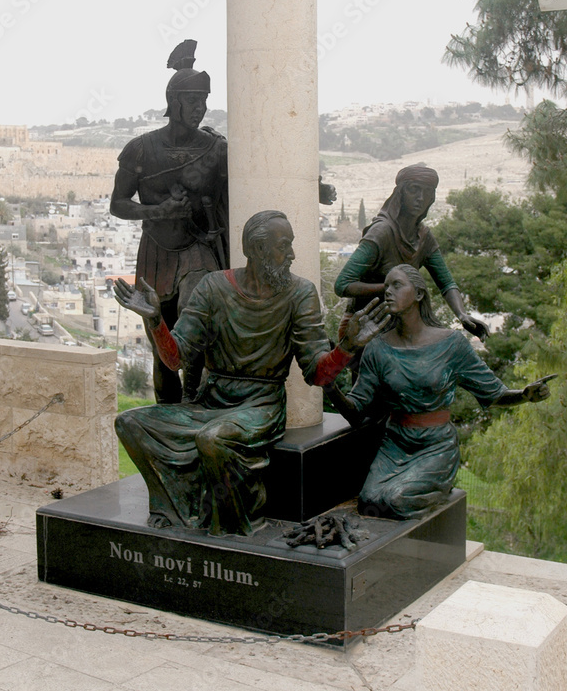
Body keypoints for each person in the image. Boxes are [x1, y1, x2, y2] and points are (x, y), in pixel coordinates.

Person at [113, 210, 386, 536]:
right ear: (257, 250)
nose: (292, 255)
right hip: (211, 404)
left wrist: (347, 348)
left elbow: (318, 374)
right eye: (283, 246)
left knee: (213, 439)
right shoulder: (213, 287)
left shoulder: (300, 294)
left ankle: (235, 523)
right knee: (130, 423)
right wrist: (156, 321)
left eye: (291, 245)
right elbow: (176, 360)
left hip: (261, 407)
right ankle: (179, 510)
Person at [328, 264, 554, 520]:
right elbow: (357, 413)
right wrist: (329, 385)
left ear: (420, 294)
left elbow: (493, 394)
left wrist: (524, 395)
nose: (388, 291)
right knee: (369, 502)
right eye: (386, 285)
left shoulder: (452, 344)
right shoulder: (377, 348)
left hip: (436, 444)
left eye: (397, 285)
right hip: (395, 443)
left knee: (396, 501)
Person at [110, 43, 228, 404]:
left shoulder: (215, 149)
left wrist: (313, 186)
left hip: (198, 249)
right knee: (161, 346)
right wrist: (159, 211)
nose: (200, 108)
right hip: (157, 250)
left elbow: (255, 176)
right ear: (173, 102)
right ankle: (167, 414)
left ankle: (194, 399)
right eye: (193, 100)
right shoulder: (141, 149)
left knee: (196, 323)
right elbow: (118, 204)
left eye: (204, 101)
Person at [334, 164, 488, 341]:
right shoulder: (382, 232)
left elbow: (446, 283)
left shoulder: (424, 237)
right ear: (400, 193)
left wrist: (462, 315)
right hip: (365, 327)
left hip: (404, 327)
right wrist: (391, 288)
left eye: (427, 192)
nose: (420, 198)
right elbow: (342, 284)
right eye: (414, 190)